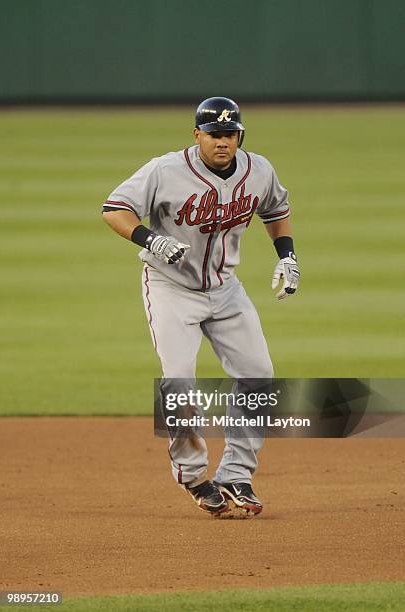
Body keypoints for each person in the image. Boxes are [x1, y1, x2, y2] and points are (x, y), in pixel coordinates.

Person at [102, 97, 300, 518]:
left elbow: (277, 211)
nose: (222, 142)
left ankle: (236, 474)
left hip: (226, 289)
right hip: (171, 287)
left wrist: (287, 255)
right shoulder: (165, 170)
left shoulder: (258, 169)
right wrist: (150, 239)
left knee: (259, 377)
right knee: (178, 385)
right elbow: (114, 209)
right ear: (197, 135)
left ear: (240, 135)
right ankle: (193, 475)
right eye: (214, 134)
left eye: (230, 134)